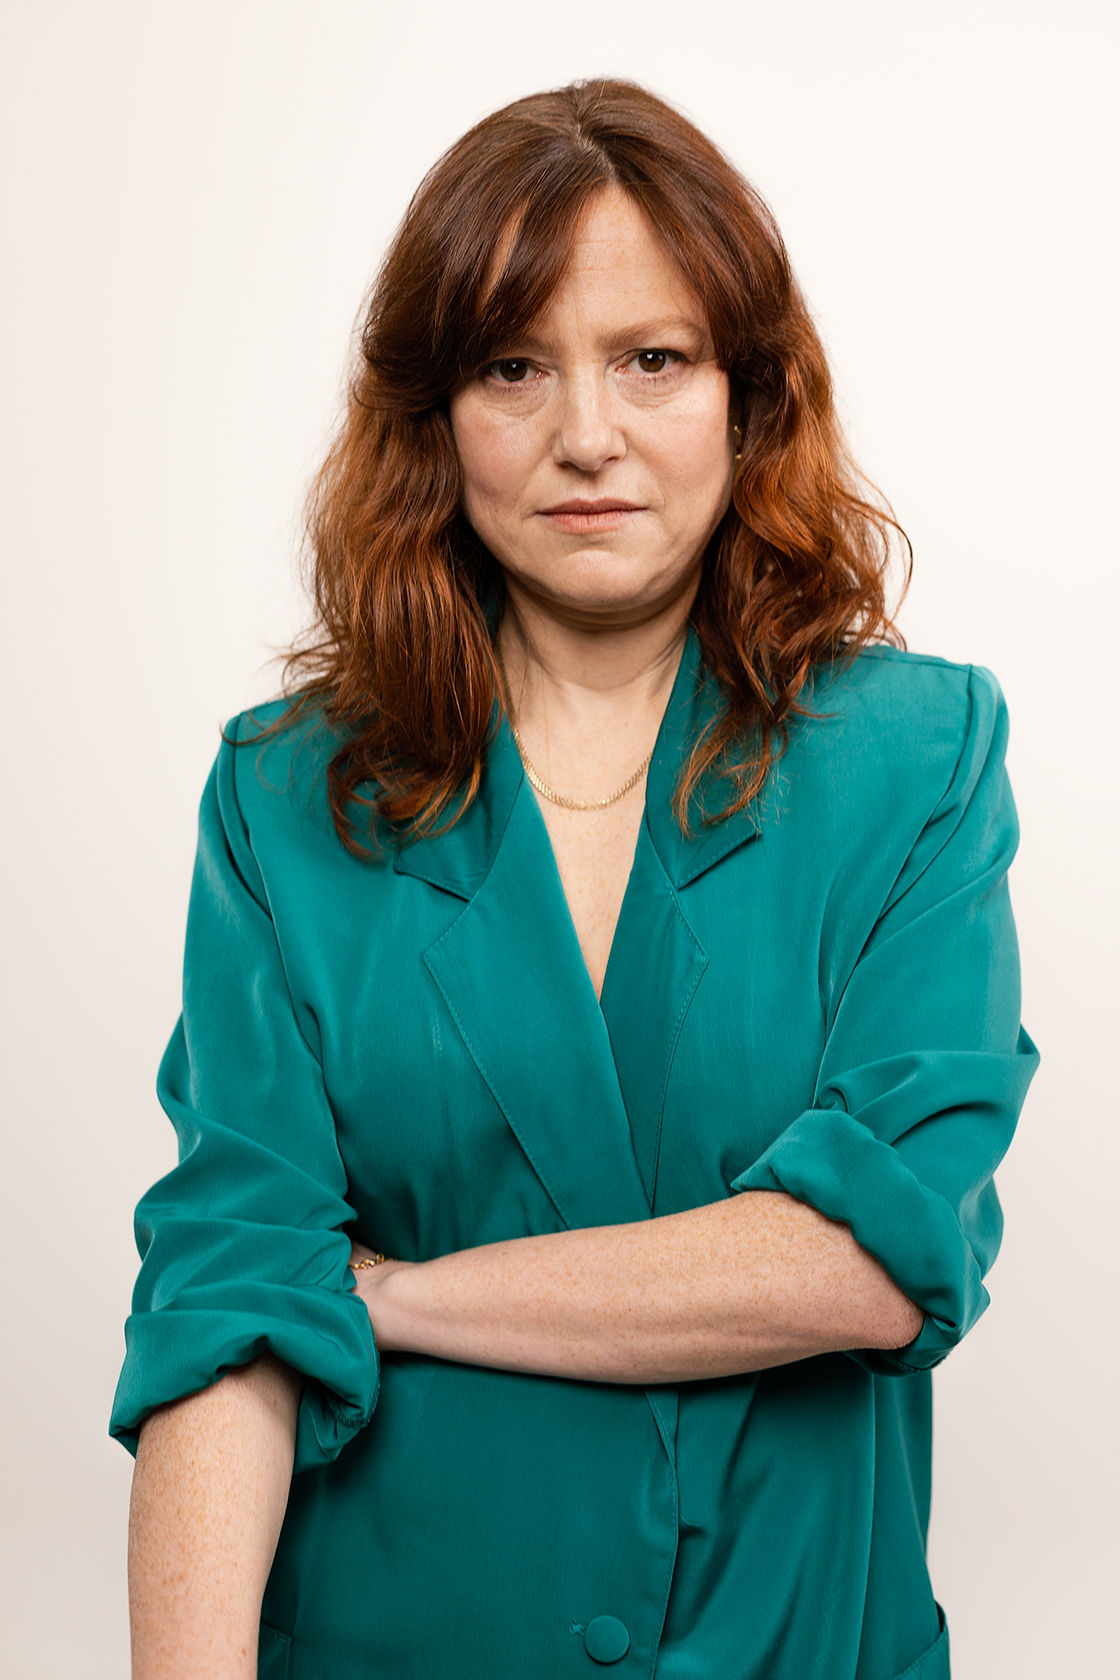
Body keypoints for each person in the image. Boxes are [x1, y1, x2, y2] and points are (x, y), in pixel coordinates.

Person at [110, 77, 1039, 1680]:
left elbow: (871, 1260)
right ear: (435, 415)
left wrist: (391, 1298)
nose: (587, 436)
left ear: (749, 396)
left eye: (652, 360)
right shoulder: (286, 796)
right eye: (513, 367)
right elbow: (228, 1314)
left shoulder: (919, 760)